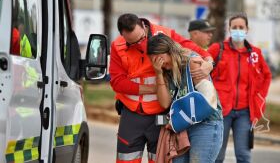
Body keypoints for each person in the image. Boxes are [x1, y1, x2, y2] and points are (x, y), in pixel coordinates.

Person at [109, 13, 214, 163]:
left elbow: (190, 47)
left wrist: (209, 61)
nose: (140, 45)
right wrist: (155, 88)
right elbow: (117, 82)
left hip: (161, 113)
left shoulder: (165, 34)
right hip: (131, 113)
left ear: (143, 26)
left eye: (141, 39)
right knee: (126, 159)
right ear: (123, 36)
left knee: (160, 158)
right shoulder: (117, 46)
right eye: (132, 43)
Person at [147, 33, 223, 163]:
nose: (160, 64)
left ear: (170, 50)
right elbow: (165, 103)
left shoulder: (192, 63)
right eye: (154, 61)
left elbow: (209, 101)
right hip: (183, 129)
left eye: (160, 59)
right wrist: (159, 73)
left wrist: (179, 121)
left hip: (206, 124)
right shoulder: (164, 71)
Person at [207, 13, 272, 163]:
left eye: (241, 27)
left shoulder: (255, 53)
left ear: (247, 29)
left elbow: (266, 75)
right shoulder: (218, 49)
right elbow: (202, 69)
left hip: (245, 112)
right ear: (229, 29)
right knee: (217, 155)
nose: (238, 30)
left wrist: (259, 96)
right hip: (220, 111)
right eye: (234, 27)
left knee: (244, 156)